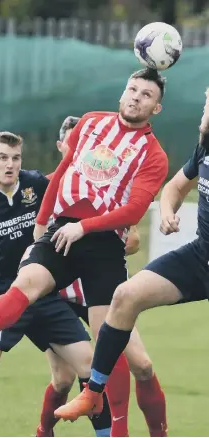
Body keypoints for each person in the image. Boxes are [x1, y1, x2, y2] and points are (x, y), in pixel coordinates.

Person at [0, 68, 170, 436]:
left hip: (102, 243)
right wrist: (41, 227)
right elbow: (61, 174)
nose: (136, 97)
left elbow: (134, 212)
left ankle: (127, 432)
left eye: (146, 95)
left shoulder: (154, 155)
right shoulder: (90, 123)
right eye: (132, 89)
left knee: (111, 349)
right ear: (123, 92)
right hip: (62, 232)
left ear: (156, 108)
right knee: (27, 282)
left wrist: (85, 226)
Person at [0, 132, 112, 437]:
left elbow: (70, 183)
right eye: (3, 158)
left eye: (15, 158)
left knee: (88, 366)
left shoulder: (36, 185)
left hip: (43, 294)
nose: (10, 165)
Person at [52, 88, 209, 423]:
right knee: (124, 296)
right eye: (206, 102)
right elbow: (174, 187)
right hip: (201, 257)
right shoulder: (205, 147)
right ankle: (93, 395)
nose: (204, 111)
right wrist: (167, 211)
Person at [37, 116, 162, 438]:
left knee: (143, 366)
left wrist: (97, 239)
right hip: (60, 296)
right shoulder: (47, 187)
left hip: (100, 290)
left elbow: (131, 239)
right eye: (71, 142)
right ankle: (43, 432)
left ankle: (153, 433)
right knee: (64, 379)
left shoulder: (107, 187)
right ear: (62, 146)